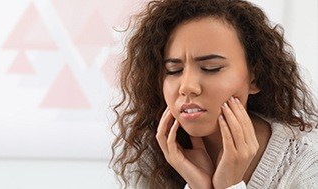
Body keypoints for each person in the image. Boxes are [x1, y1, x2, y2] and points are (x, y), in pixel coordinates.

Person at [110, 0, 318, 188]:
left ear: (255, 77)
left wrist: (230, 186)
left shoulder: (308, 162)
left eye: (211, 68)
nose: (187, 86)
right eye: (174, 70)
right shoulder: (150, 157)